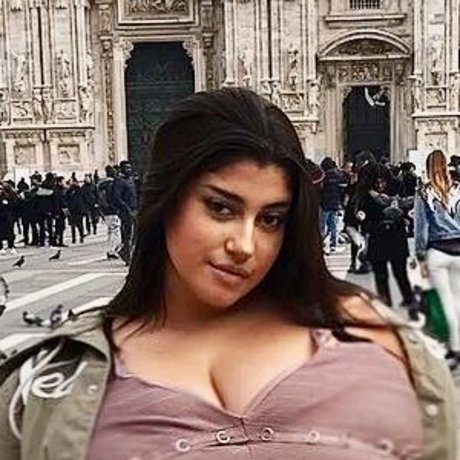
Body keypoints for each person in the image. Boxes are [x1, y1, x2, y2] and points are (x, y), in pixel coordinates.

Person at [0, 88, 456, 460]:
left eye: (271, 219)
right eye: (220, 208)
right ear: (165, 201)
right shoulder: (54, 376)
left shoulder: (381, 346)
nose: (244, 245)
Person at [415, 149, 460, 369]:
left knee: (446, 303)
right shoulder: (458, 189)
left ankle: (455, 349)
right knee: (458, 301)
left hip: (438, 253)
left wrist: (420, 255)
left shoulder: (424, 192)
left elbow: (421, 228)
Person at [355, 163, 413, 308]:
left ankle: (408, 297)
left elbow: (407, 208)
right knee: (380, 274)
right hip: (378, 235)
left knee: (400, 272)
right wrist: (369, 224)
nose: (380, 185)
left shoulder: (397, 188)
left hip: (395, 235)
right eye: (377, 182)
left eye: (383, 182)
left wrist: (402, 215)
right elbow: (362, 215)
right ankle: (385, 301)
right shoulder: (366, 194)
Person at [98, 165, 121, 260]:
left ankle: (110, 249)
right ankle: (112, 250)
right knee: (115, 230)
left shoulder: (101, 184)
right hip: (113, 210)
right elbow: (116, 197)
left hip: (105, 211)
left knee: (110, 231)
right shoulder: (113, 184)